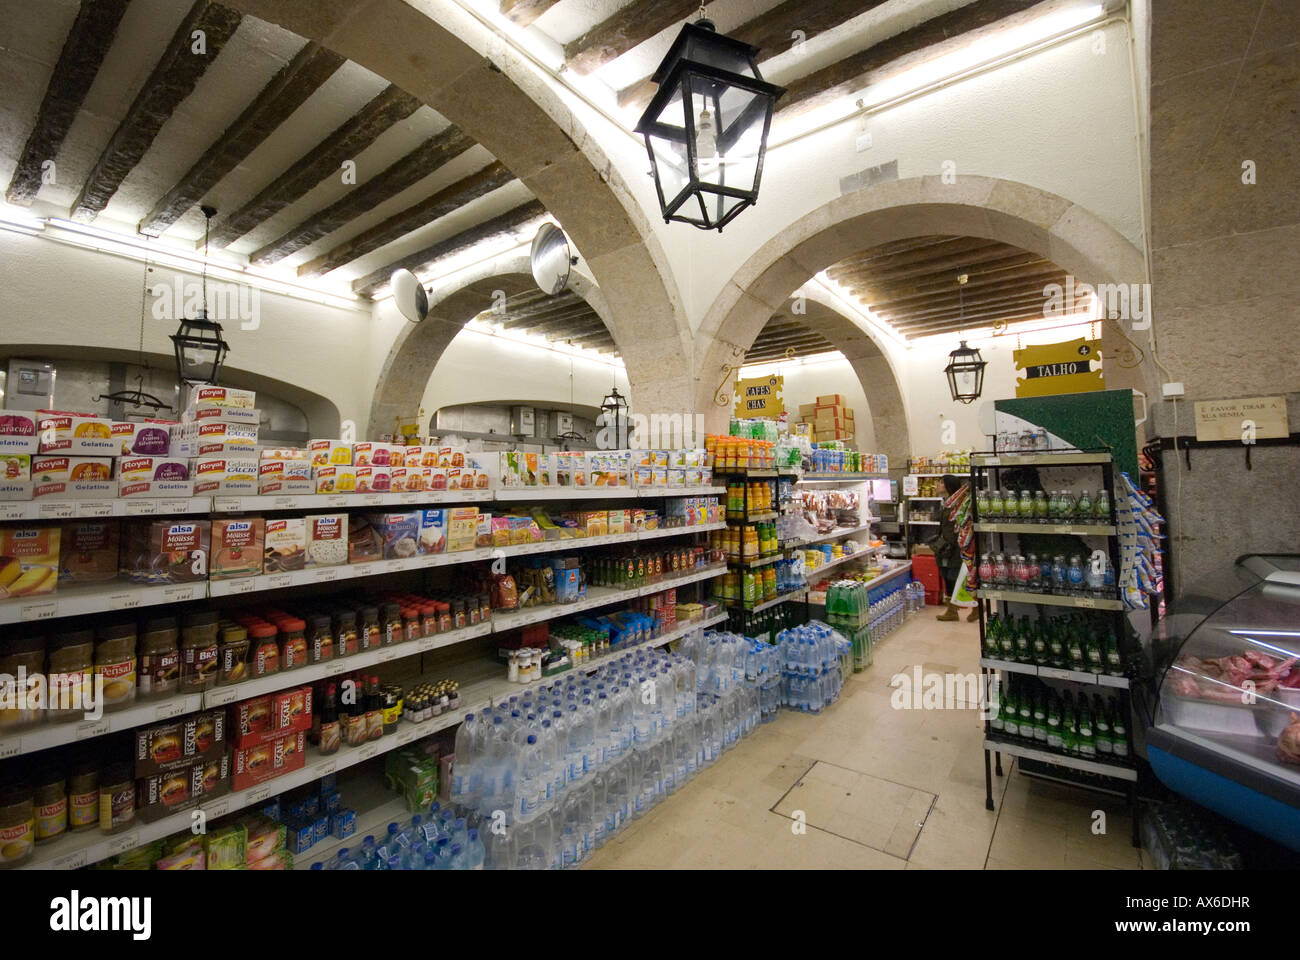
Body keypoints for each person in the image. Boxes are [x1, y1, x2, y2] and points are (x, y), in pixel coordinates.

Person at [931, 474, 977, 622]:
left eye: (940, 483)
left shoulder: (956, 504)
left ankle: (973, 607)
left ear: (948, 486)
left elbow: (953, 530)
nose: (937, 485)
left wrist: (942, 545)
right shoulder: (948, 503)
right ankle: (953, 610)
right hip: (947, 548)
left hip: (952, 549)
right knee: (950, 578)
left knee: (955, 577)